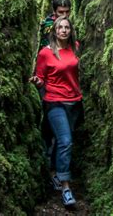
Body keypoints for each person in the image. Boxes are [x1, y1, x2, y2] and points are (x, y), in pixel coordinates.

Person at [30, 16, 83, 206]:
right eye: (60, 27)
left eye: (66, 27)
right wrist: (38, 82)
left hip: (74, 103)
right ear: (54, 30)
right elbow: (41, 78)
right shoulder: (45, 53)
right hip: (54, 102)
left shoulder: (75, 46)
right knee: (66, 141)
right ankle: (66, 187)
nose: (63, 30)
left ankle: (52, 171)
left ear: (71, 30)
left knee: (62, 140)